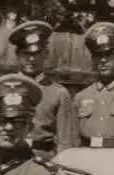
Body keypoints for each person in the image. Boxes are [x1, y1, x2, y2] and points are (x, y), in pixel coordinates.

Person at [8, 20, 74, 159]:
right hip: (10, 158)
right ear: (18, 54)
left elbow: (65, 142)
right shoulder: (5, 89)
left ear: (46, 54)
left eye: (37, 53)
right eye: (26, 53)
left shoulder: (59, 93)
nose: (31, 58)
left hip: (43, 161)